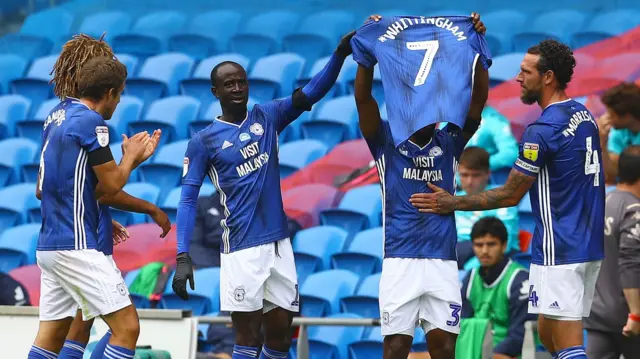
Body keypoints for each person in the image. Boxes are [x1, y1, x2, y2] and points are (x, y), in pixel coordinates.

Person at [171, 28, 360, 359]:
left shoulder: (267, 116)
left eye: (241, 82)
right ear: (215, 91)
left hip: (279, 244)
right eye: (229, 84)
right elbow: (187, 200)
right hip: (241, 250)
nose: (237, 88)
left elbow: (311, 93)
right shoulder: (204, 141)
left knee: (280, 338)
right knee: (245, 339)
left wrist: (340, 54)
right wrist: (183, 256)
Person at [410, 39, 605, 359]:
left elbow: (511, 193)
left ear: (548, 77)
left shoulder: (542, 130)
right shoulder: (584, 116)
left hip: (563, 245)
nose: (518, 77)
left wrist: (452, 202)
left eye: (525, 71)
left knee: (567, 342)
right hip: (583, 241)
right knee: (547, 333)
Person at [352, 13, 490, 359]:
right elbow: (364, 101)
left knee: (444, 348)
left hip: (442, 261)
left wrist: (478, 55)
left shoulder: (450, 142)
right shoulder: (385, 142)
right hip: (400, 260)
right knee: (396, 347)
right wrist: (366, 58)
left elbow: (476, 105)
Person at [35, 33, 171, 359]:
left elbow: (44, 188)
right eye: (119, 95)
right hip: (78, 244)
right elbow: (110, 186)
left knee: (53, 335)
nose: (120, 101)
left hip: (49, 244)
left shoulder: (55, 115)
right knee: (127, 327)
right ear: (109, 92)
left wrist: (86, 209)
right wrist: (132, 158)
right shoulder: (92, 121)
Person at [584, 145, 640, 358]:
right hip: (630, 318)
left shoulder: (600, 203)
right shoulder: (634, 212)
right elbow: (630, 265)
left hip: (598, 314)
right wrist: (636, 314)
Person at [460, 217, 532, 359]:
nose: (485, 251)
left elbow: (518, 335)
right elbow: (462, 323)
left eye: (491, 244)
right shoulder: (471, 277)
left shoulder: (521, 280)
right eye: (479, 245)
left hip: (506, 353)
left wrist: (490, 355)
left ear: (504, 246)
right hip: (471, 351)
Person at [455, 147, 519, 269]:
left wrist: (470, 270)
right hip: (456, 256)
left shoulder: (503, 199)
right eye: (464, 175)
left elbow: (504, 244)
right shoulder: (451, 200)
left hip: (489, 258)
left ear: (488, 173)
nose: (469, 181)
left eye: (475, 175)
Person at [596, 82, 640, 183]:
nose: (606, 117)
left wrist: (618, 159)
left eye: (611, 114)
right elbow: (611, 176)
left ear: (627, 116)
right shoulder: (617, 132)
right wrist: (602, 143)